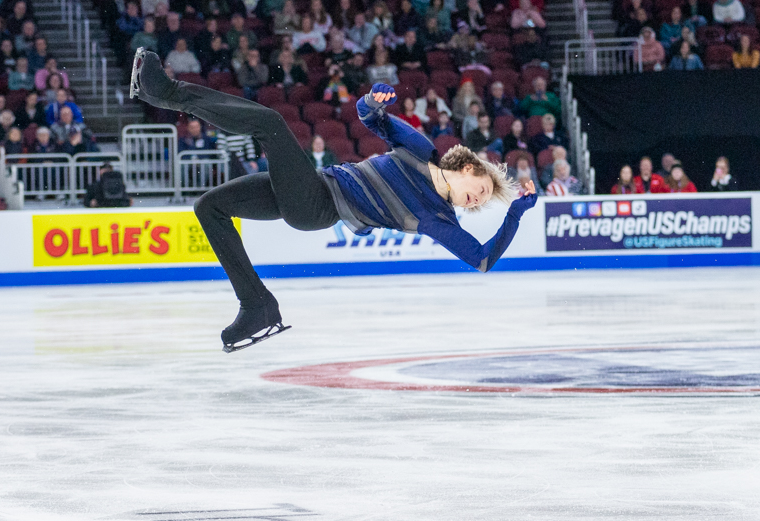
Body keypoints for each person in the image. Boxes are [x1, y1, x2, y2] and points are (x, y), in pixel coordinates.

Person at [129, 49, 537, 352]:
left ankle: (168, 93)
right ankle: (256, 305)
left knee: (271, 124)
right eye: (480, 191)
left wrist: (514, 214)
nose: (473, 201)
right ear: (468, 167)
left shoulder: (437, 217)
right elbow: (369, 118)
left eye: (479, 203)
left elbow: (481, 259)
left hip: (318, 206)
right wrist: (373, 101)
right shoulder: (420, 149)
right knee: (209, 207)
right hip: (316, 184)